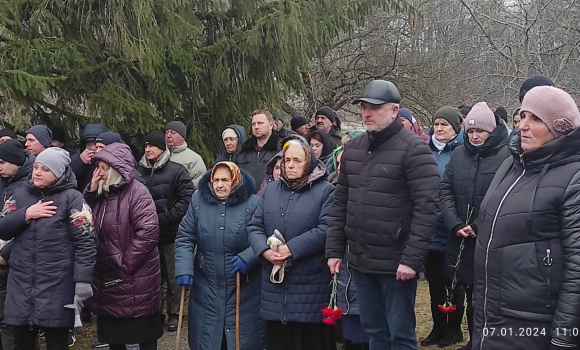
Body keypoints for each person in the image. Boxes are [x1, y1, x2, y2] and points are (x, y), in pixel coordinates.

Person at [326, 80, 440, 350]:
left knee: (400, 335)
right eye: (364, 107)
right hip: (362, 261)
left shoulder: (415, 150)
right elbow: (341, 202)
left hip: (396, 264)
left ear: (394, 110)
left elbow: (427, 209)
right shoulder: (352, 149)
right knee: (374, 332)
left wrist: (411, 260)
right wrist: (334, 250)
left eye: (374, 108)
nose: (366, 113)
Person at [472, 86, 580, 349]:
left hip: (534, 324)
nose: (522, 125)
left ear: (559, 128)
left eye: (535, 119)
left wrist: (565, 337)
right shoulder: (511, 164)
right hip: (489, 313)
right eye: (522, 116)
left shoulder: (574, 178)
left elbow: (577, 267)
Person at [0, 147, 96, 350]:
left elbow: (86, 242)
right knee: (20, 343)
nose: (37, 172)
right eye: (36, 167)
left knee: (57, 342)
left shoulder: (73, 199)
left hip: (57, 287)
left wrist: (83, 280)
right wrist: (26, 214)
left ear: (58, 173)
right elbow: (3, 229)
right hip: (21, 286)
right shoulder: (19, 195)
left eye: (45, 169)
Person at [248, 139, 336, 350]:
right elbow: (255, 226)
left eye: (297, 160)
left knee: (310, 340)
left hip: (310, 283)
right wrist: (265, 250)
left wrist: (292, 249)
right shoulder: (271, 190)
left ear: (309, 163)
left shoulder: (325, 191)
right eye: (287, 160)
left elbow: (326, 229)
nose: (290, 165)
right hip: (275, 286)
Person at [440, 102, 509, 350]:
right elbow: (445, 190)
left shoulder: (506, 156)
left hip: (487, 238)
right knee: (462, 289)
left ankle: (480, 340)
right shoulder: (459, 153)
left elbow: (504, 196)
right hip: (458, 236)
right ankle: (466, 337)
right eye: (470, 131)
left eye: (480, 131)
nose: (474, 136)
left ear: (491, 130)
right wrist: (454, 223)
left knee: (482, 295)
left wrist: (478, 225)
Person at [175, 161, 265, 349]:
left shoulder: (254, 203)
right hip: (206, 284)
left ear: (235, 180)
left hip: (243, 286)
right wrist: (184, 268)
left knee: (239, 340)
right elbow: (185, 236)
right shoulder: (198, 201)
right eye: (215, 180)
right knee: (208, 340)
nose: (219, 185)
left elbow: (264, 238)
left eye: (225, 179)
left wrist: (248, 258)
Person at [84, 143, 163, 350]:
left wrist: (125, 264)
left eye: (103, 168)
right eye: (97, 167)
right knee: (115, 338)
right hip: (108, 282)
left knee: (143, 334)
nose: (98, 173)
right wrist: (91, 191)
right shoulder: (100, 194)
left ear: (116, 168)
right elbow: (82, 220)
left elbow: (148, 233)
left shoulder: (138, 193)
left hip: (134, 280)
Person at [136, 131, 193, 332]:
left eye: (152, 146)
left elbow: (186, 200)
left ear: (163, 148)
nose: (148, 149)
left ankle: (175, 313)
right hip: (145, 236)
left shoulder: (177, 171)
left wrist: (164, 219)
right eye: (146, 146)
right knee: (152, 277)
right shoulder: (137, 171)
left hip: (171, 233)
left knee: (173, 276)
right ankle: (155, 312)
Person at [422, 106, 465, 348]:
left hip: (450, 227)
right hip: (427, 227)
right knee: (434, 281)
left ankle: (454, 329)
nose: (439, 129)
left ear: (456, 128)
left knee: (453, 281)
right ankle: (438, 327)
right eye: (436, 124)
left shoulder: (460, 151)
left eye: (444, 125)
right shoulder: (424, 150)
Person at [0, 140, 34, 350]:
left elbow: (30, 226)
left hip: (15, 261)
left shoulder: (28, 185)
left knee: (11, 322)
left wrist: (6, 253)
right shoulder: (5, 181)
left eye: (3, 162)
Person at [237, 110, 280, 193]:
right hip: (244, 200)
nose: (256, 127)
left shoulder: (280, 149)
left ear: (271, 125)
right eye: (254, 124)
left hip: (268, 199)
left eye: (260, 123)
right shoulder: (242, 150)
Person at [165, 121, 207, 190]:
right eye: (167, 132)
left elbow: (201, 183)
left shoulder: (194, 159)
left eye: (173, 133)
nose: (168, 135)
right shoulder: (159, 155)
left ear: (182, 137)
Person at [70, 124, 108, 192]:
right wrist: (80, 162)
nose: (93, 148)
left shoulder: (112, 161)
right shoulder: (75, 160)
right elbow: (67, 179)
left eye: (96, 145)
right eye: (89, 145)